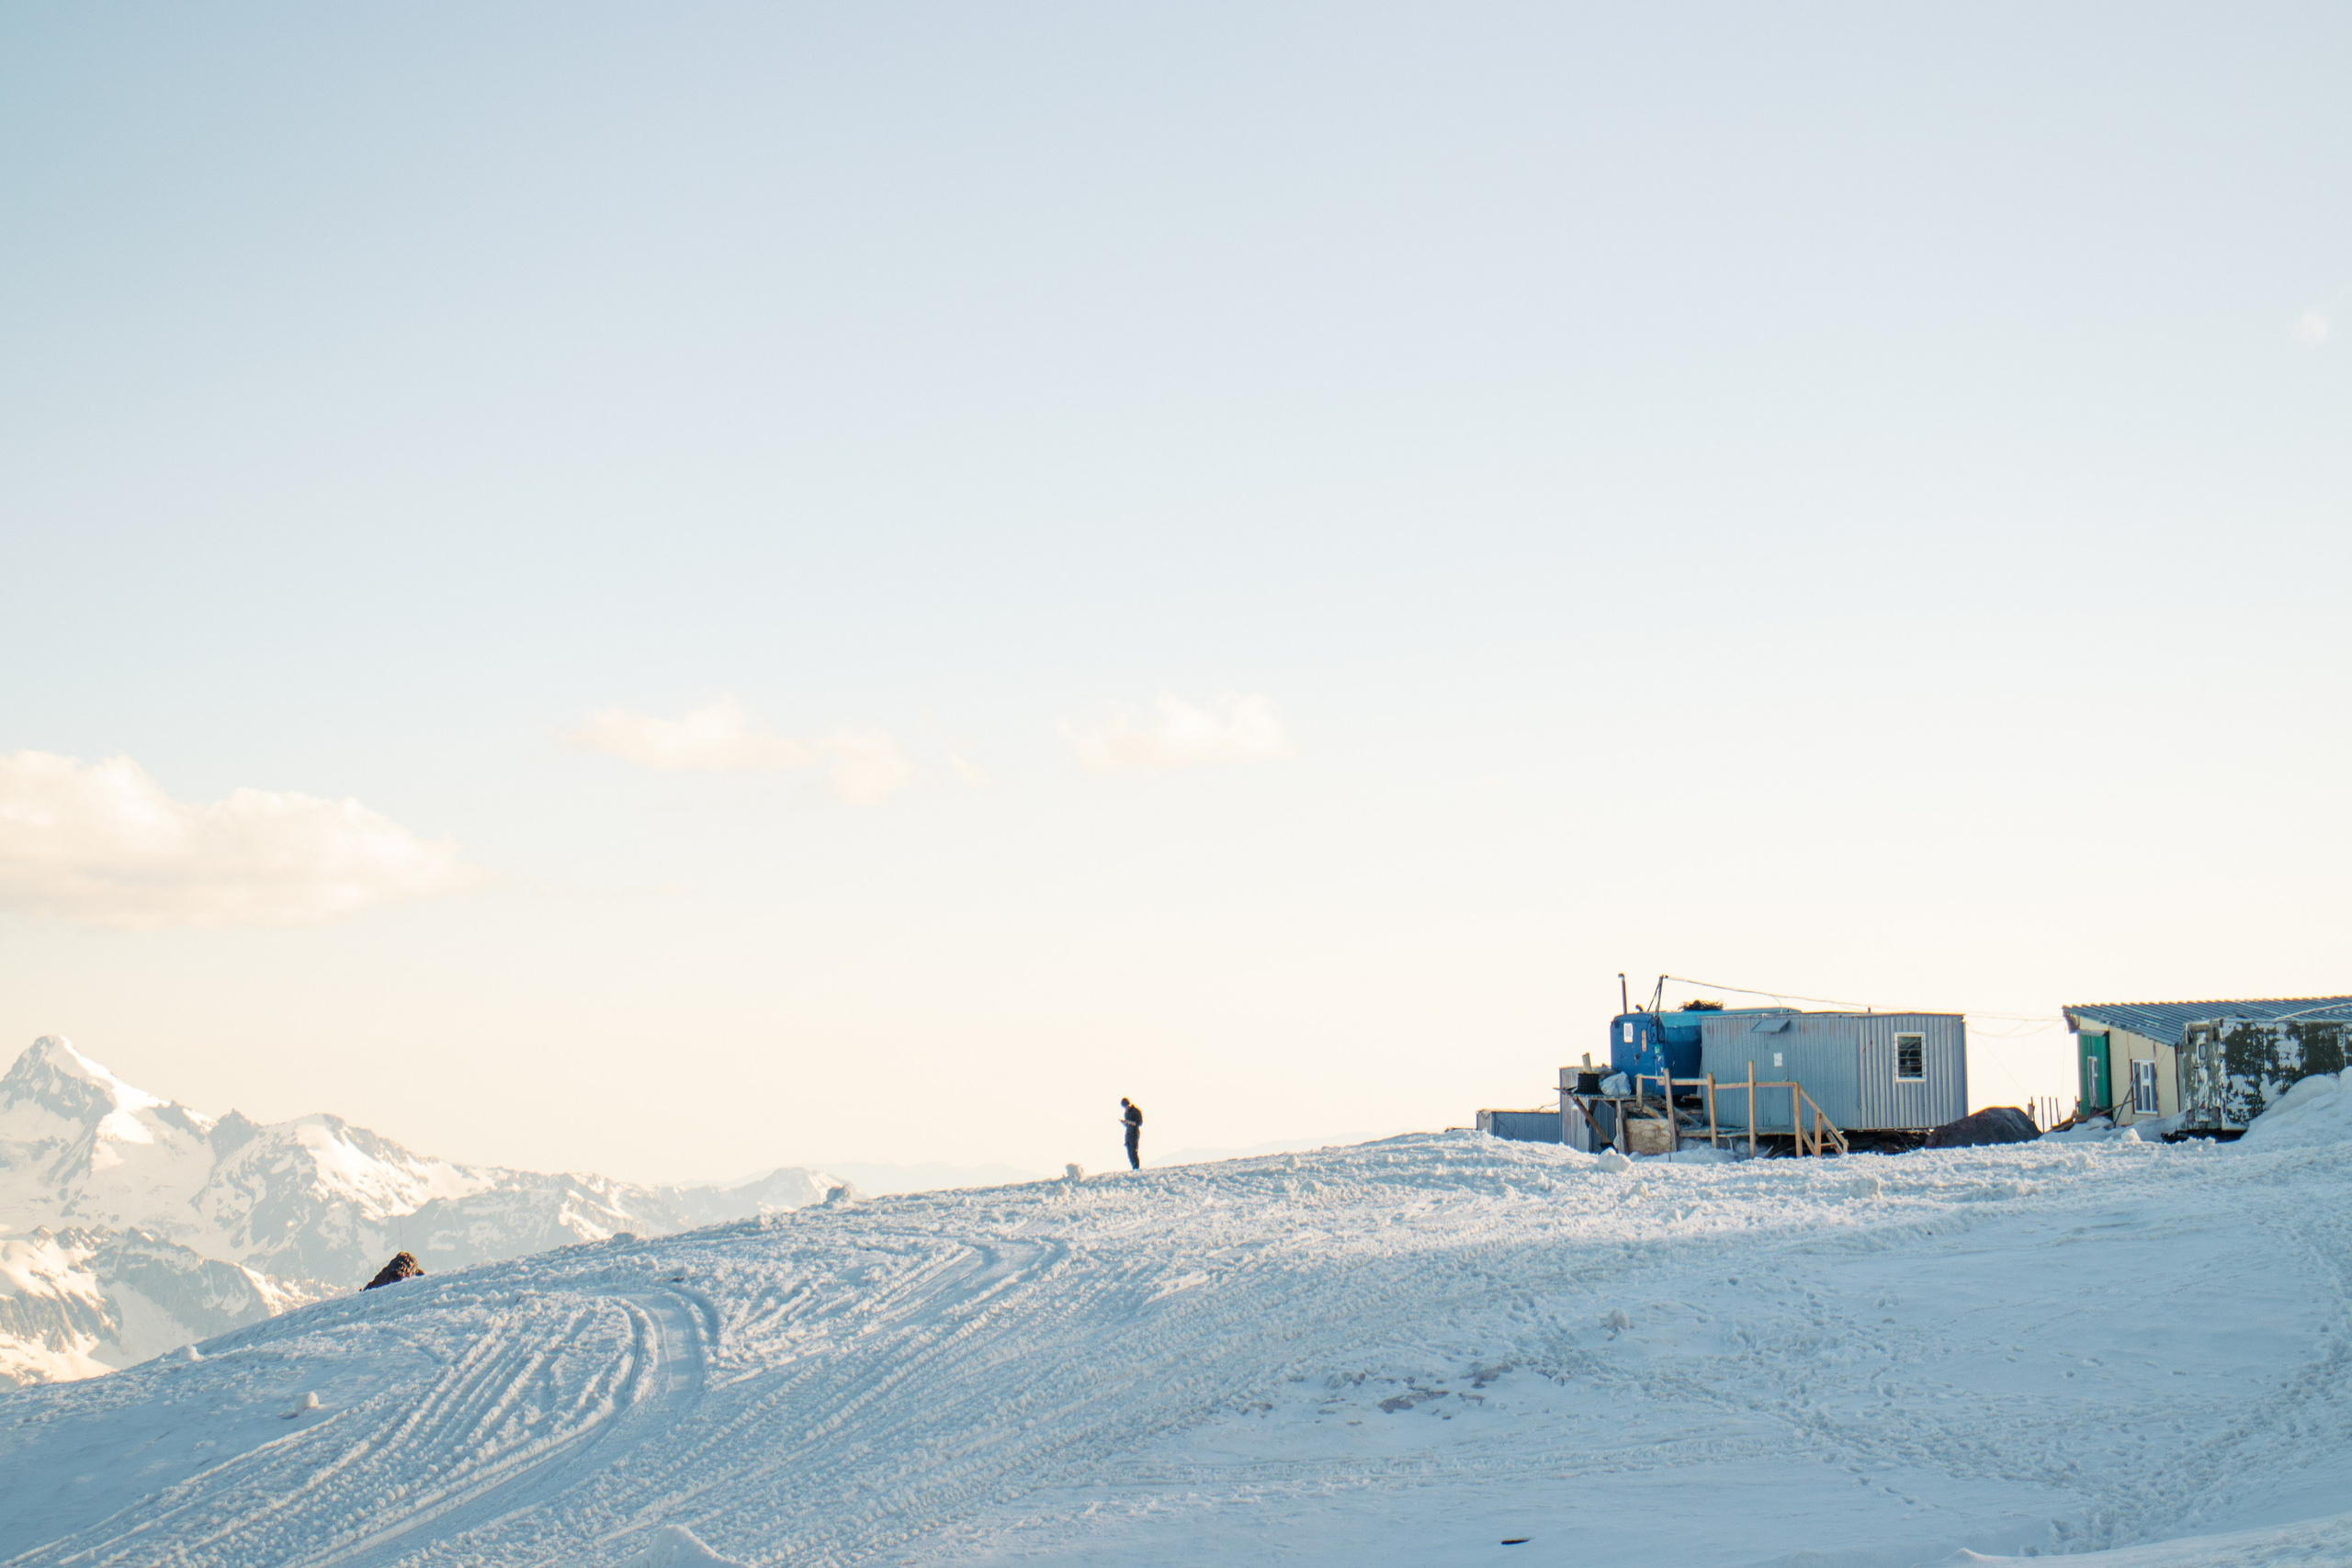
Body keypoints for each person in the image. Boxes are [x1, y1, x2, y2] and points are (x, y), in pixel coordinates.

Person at [1119, 1097, 1143, 1169]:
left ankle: (1136, 1168)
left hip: (1134, 1133)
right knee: (1129, 1152)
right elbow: (1128, 1124)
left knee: (1133, 1151)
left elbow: (1139, 1123)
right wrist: (1125, 1123)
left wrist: (1128, 1122)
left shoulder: (1136, 1111)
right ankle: (1134, 1167)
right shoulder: (1127, 1112)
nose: (1125, 1107)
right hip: (1128, 1133)